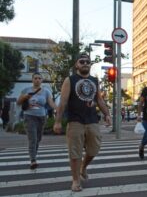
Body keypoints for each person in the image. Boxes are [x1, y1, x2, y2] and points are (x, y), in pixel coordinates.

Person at [53, 53, 111, 192]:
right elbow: (63, 102)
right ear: (76, 65)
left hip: (92, 120)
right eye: (82, 61)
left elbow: (99, 100)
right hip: (75, 121)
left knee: (94, 148)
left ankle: (83, 167)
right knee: (75, 153)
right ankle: (76, 180)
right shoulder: (70, 80)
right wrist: (58, 121)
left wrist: (107, 114)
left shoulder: (94, 80)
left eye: (87, 61)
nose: (85, 63)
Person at [17, 72, 57, 169]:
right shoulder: (26, 90)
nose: (37, 80)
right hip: (29, 116)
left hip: (42, 117)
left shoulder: (46, 91)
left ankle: (33, 156)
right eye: (35, 78)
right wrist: (24, 97)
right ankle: (33, 160)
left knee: (38, 139)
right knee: (33, 139)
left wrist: (58, 109)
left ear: (42, 80)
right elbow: (18, 102)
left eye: (39, 78)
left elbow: (51, 103)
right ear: (32, 79)